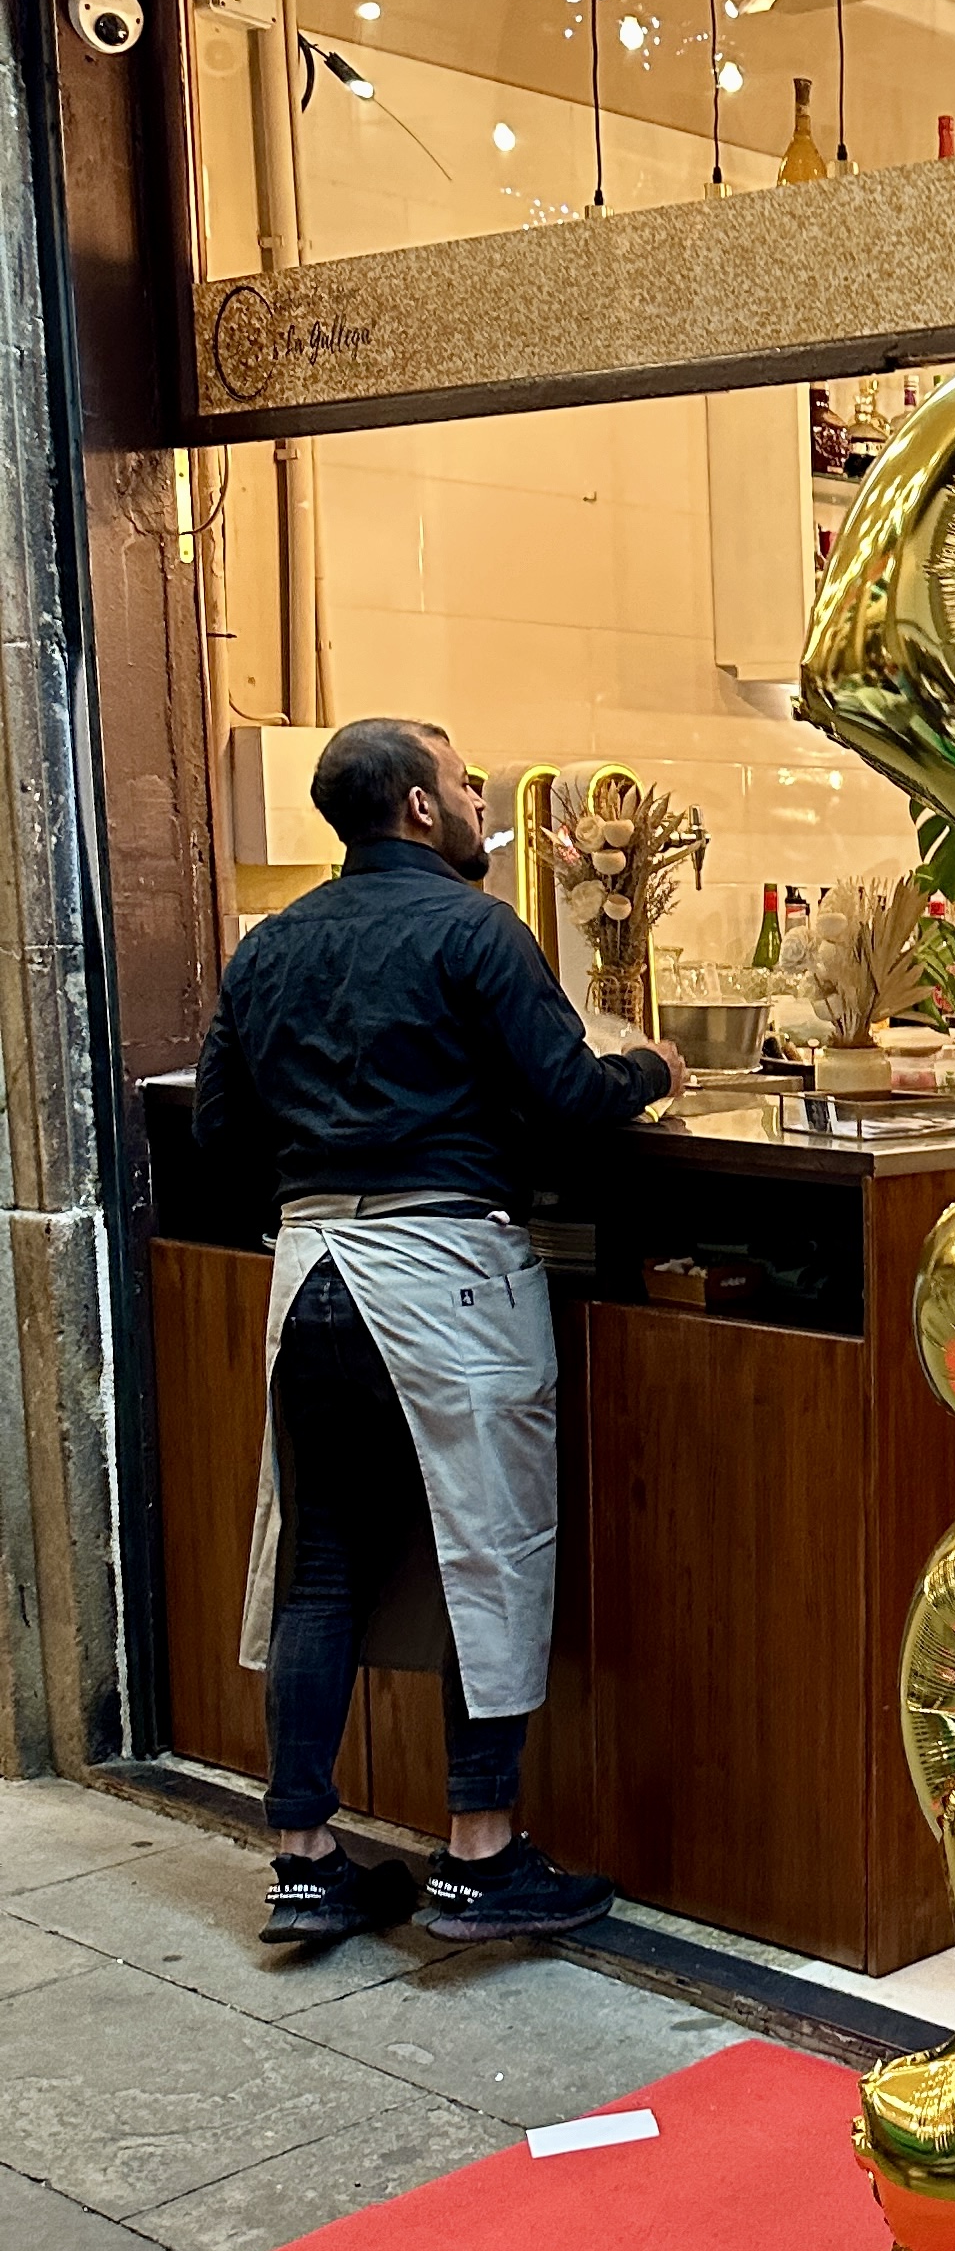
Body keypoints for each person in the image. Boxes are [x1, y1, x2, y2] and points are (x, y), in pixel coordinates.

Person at [193, 718, 687, 1950]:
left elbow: (218, 1132)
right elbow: (570, 1099)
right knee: (489, 1551)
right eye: (467, 784)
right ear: (420, 806)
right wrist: (652, 1070)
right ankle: (479, 1856)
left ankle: (305, 1860)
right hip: (448, 1271)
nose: (479, 803)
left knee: (324, 1561)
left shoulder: (269, 946)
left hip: (310, 1274)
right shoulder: (476, 930)